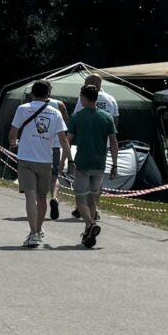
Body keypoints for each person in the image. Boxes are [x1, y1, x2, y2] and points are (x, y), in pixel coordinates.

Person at [5, 80, 69, 248]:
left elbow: (13, 132)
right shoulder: (55, 113)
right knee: (42, 198)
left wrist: (14, 142)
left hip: (26, 158)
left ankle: (33, 232)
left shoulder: (23, 109)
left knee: (30, 196)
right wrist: (70, 159)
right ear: (48, 94)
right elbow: (63, 138)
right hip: (45, 160)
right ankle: (38, 230)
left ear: (32, 93)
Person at [68, 79, 119, 248]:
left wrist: (67, 160)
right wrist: (115, 164)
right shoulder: (106, 117)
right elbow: (113, 142)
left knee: (80, 201)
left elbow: (68, 141)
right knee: (92, 201)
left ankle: (90, 224)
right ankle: (87, 235)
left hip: (82, 163)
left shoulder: (77, 117)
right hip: (100, 164)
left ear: (83, 98)